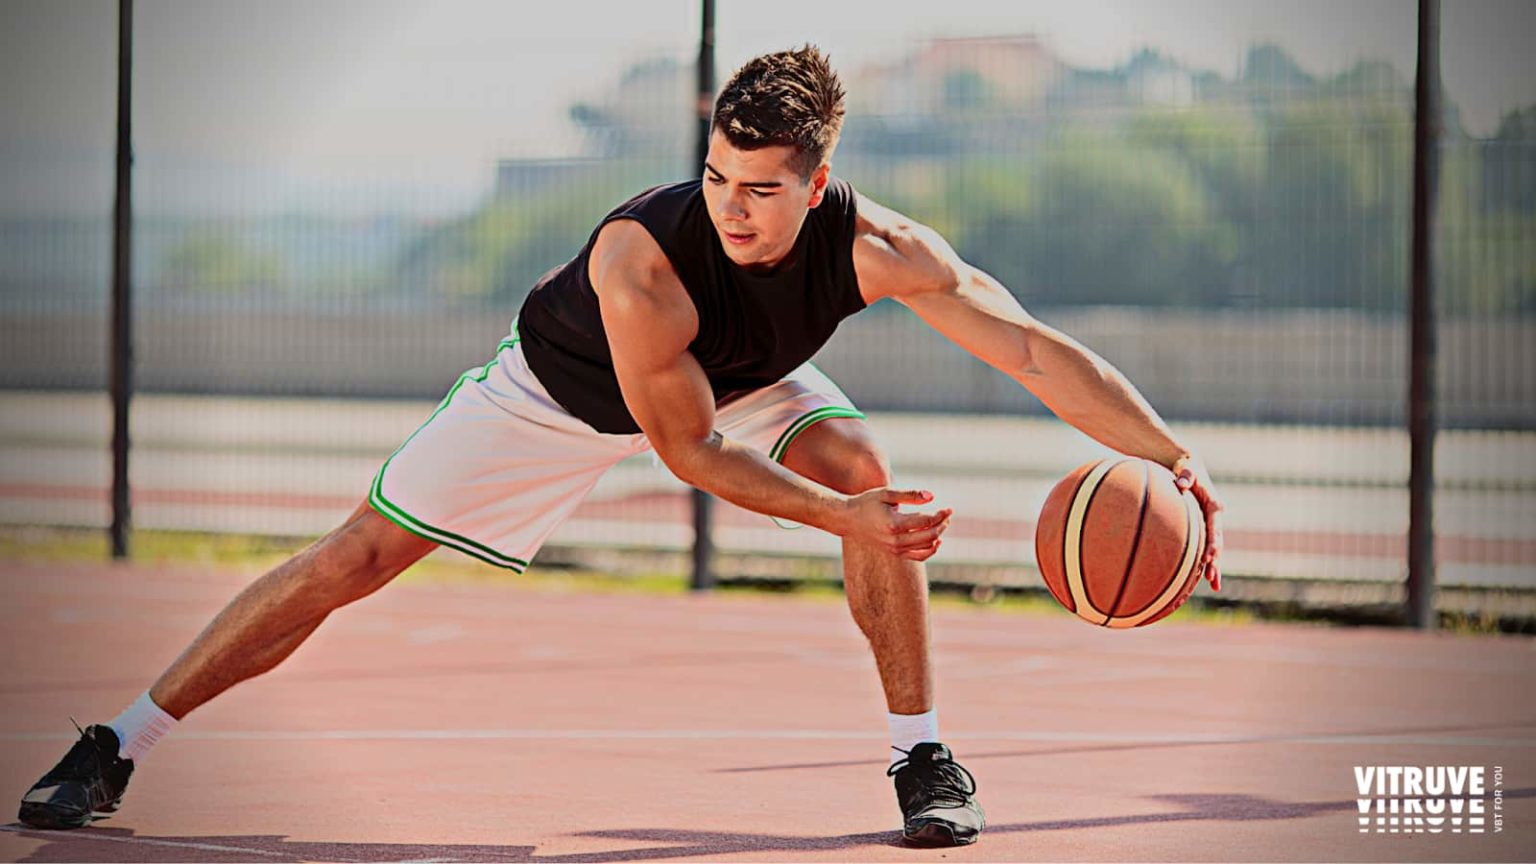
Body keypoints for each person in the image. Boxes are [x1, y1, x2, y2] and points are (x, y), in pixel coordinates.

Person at [17, 45, 1223, 849]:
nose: (732, 205)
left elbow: (1034, 352)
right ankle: (115, 742)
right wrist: (843, 527)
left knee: (862, 468)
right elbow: (688, 452)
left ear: (820, 185)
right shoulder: (640, 257)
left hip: (741, 379)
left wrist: (1172, 459)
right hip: (559, 392)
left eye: (760, 187)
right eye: (716, 176)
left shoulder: (884, 249)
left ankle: (922, 760)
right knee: (353, 561)